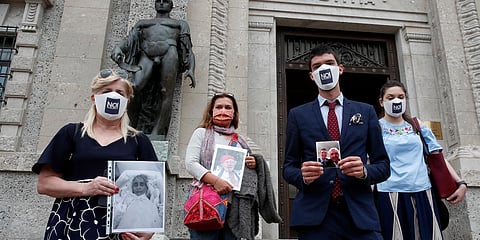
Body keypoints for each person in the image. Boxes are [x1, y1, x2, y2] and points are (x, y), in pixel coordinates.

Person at [32, 69, 158, 240]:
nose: (113, 96)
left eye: (120, 93)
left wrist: (148, 229)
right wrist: (86, 188)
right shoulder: (71, 133)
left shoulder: (139, 141)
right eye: (106, 91)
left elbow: (154, 191)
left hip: (120, 226)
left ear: (127, 101)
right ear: (94, 97)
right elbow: (45, 184)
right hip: (72, 221)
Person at [282, 45, 390, 239]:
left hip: (360, 214)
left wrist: (364, 171)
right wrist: (303, 176)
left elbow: (383, 166)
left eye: (329, 63)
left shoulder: (365, 111)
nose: (324, 69)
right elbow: (288, 168)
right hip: (316, 217)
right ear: (311, 75)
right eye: (317, 66)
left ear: (340, 69)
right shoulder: (298, 115)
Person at [376, 80, 467, 239]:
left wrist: (460, 182)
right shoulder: (375, 128)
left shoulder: (418, 126)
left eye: (400, 96)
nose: (396, 101)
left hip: (423, 191)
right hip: (390, 193)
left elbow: (437, 157)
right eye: (390, 97)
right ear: (381, 102)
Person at [185, 93, 282, 239]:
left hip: (234, 207)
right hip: (206, 203)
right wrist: (216, 181)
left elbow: (246, 174)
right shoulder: (201, 133)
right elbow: (191, 163)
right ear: (211, 111)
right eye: (218, 107)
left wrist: (254, 163)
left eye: (228, 107)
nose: (223, 111)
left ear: (234, 113)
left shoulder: (240, 141)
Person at [111, 0, 196, 137]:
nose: (162, 3)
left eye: (166, 1)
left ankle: (157, 131)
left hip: (169, 52)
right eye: (159, 1)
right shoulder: (143, 23)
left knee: (166, 92)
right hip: (146, 53)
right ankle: (129, 127)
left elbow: (188, 49)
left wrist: (191, 69)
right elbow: (130, 40)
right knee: (135, 87)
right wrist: (118, 48)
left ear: (171, 6)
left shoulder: (180, 24)